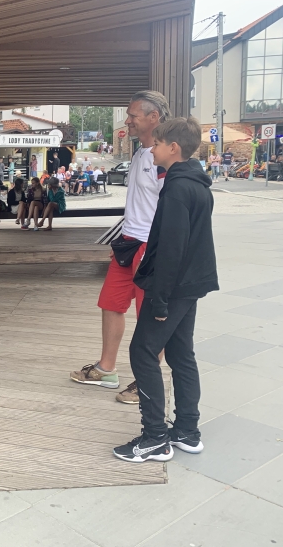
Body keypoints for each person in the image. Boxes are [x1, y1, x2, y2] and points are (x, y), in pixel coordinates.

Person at [113, 116, 218, 462]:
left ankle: (155, 437)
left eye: (156, 144)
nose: (152, 149)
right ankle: (187, 430)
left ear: (173, 148)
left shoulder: (176, 189)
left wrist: (158, 299)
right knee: (180, 354)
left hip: (174, 286)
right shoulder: (197, 184)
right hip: (191, 283)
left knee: (142, 352)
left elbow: (172, 249)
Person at [70, 90, 170, 404]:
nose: (127, 121)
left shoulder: (166, 157)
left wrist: (158, 251)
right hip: (128, 243)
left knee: (149, 315)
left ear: (153, 117)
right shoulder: (140, 153)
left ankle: (147, 381)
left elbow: (172, 211)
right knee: (111, 304)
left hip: (151, 247)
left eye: (132, 115)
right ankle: (106, 369)